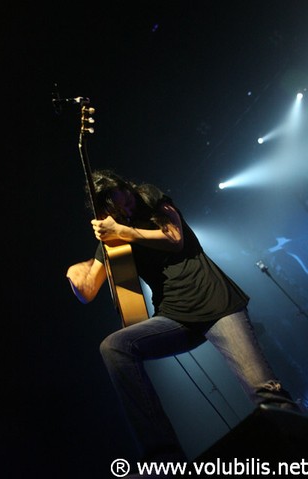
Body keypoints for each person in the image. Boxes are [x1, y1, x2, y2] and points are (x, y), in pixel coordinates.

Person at [66, 169, 300, 477]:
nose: (121, 209)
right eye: (111, 207)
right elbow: (87, 291)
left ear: (124, 188)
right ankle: (163, 458)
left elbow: (173, 239)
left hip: (217, 304)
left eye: (119, 198)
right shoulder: (114, 231)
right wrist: (74, 270)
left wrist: (123, 231)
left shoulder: (150, 197)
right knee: (114, 347)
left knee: (265, 392)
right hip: (175, 316)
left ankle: (300, 452)